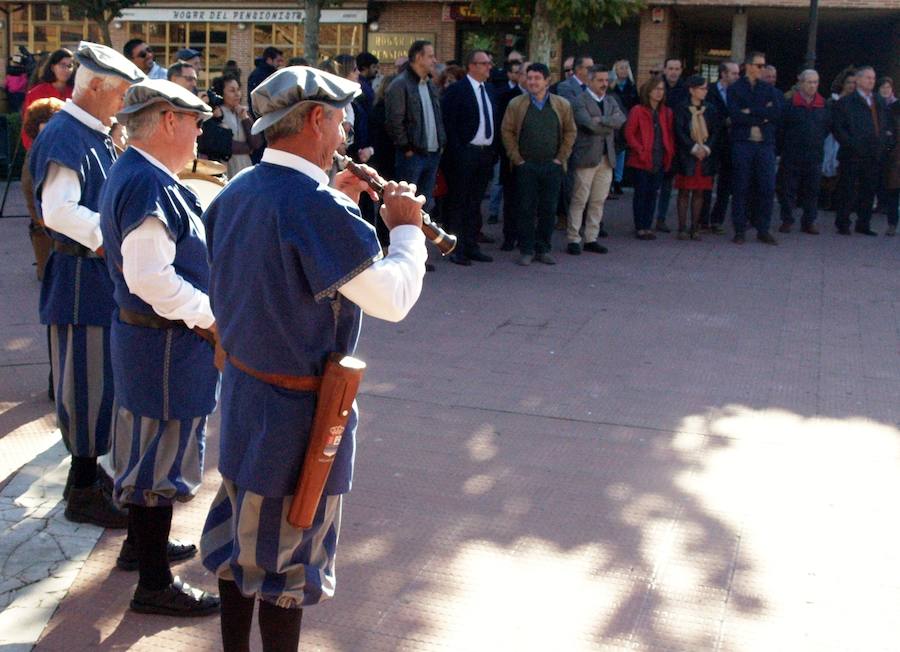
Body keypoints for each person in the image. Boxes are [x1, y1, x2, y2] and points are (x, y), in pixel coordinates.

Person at [199, 65, 427, 652]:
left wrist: (340, 211)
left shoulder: (239, 188)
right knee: (287, 569)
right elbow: (393, 299)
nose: (347, 128)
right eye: (341, 116)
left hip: (248, 402)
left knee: (236, 547)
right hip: (300, 417)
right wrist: (407, 232)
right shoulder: (315, 206)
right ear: (318, 120)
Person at [98, 78, 219, 616]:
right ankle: (152, 584)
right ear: (168, 119)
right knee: (155, 471)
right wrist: (211, 315)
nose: (198, 132)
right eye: (194, 120)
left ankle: (138, 549)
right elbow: (149, 276)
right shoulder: (148, 182)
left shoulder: (145, 173)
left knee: (148, 460)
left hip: (157, 345)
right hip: (165, 345)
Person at [28, 42, 144, 527]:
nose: (124, 104)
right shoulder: (67, 134)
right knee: (86, 389)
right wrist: (111, 235)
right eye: (120, 93)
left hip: (91, 281)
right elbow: (57, 211)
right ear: (94, 85)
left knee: (99, 388)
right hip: (80, 281)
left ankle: (89, 478)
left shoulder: (88, 132)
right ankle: (81, 490)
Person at [501, 63, 576, 266]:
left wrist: (561, 157)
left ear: (547, 81)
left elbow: (570, 131)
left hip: (552, 166)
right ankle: (526, 249)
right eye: (529, 78)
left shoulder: (562, 105)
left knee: (548, 209)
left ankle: (543, 248)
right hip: (526, 167)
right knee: (525, 208)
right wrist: (517, 159)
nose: (532, 82)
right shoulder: (516, 104)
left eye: (537, 78)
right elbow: (507, 131)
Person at [440, 49, 498, 266]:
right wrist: (458, 151)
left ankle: (472, 245)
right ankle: (456, 248)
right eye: (484, 63)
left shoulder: (490, 90)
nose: (488, 67)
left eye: (489, 63)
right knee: (459, 202)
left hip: (484, 155)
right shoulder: (457, 90)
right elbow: (449, 123)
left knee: (475, 202)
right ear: (472, 66)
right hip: (464, 154)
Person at [566, 64, 625, 255]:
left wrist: (602, 120)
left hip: (607, 158)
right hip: (586, 157)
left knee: (598, 200)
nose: (604, 84)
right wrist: (608, 123)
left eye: (606, 80)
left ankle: (591, 237)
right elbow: (589, 125)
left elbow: (621, 120)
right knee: (579, 199)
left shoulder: (610, 100)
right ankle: (574, 238)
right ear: (589, 81)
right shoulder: (579, 101)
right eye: (600, 80)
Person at [385, 40, 446, 212]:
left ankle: (421, 238)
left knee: (426, 204)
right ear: (419, 57)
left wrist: (441, 143)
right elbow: (394, 121)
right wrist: (406, 148)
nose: (434, 60)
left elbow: (437, 118)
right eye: (430, 56)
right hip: (412, 156)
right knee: (407, 204)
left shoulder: (429, 84)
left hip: (432, 153)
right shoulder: (400, 84)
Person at [728, 51, 781, 245]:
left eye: (764, 65)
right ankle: (740, 229)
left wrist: (751, 110)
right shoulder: (735, 88)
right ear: (748, 66)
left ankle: (763, 229)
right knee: (741, 186)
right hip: (743, 143)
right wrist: (762, 114)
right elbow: (735, 115)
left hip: (764, 144)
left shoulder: (768, 89)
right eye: (759, 65)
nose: (762, 69)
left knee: (767, 187)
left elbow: (775, 113)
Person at [831, 65, 890, 236]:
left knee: (868, 190)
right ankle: (843, 223)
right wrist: (851, 144)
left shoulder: (878, 100)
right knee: (847, 189)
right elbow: (838, 128)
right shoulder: (846, 102)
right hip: (852, 154)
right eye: (867, 78)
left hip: (873, 153)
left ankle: (863, 223)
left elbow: (884, 124)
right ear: (858, 80)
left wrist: (884, 143)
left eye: (873, 78)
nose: (871, 81)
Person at [776, 69, 829, 235]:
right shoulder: (789, 104)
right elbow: (781, 129)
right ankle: (787, 220)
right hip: (792, 154)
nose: (813, 85)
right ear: (801, 83)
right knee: (788, 190)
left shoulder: (823, 104)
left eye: (816, 82)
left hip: (814, 155)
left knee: (812, 191)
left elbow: (826, 128)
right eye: (809, 82)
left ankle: (809, 222)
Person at [625, 76, 675, 240]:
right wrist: (639, 149)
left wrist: (669, 152)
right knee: (641, 193)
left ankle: (647, 225)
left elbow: (669, 134)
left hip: (659, 157)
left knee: (653, 193)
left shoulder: (666, 112)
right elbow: (629, 133)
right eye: (656, 89)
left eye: (662, 89)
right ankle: (640, 226)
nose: (660, 92)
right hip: (641, 159)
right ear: (649, 91)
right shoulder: (638, 110)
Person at [22, 97, 65, 281]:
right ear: (36, 126)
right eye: (45, 121)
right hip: (46, 230)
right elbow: (29, 190)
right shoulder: (38, 153)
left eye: (53, 120)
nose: (50, 126)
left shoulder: (54, 148)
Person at [673, 75, 719, 240]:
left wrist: (706, 148)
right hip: (687, 156)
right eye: (701, 88)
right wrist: (692, 148)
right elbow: (679, 131)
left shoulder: (710, 109)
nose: (704, 91)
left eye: (706, 88)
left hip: (704, 156)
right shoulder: (682, 108)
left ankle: (695, 226)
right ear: (692, 90)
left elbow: (715, 131)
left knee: (700, 193)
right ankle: (682, 227)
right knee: (684, 192)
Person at [704, 60, 740, 234]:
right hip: (711, 143)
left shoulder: (739, 93)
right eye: (733, 73)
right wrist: (722, 122)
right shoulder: (709, 90)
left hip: (731, 145)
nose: (737, 76)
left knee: (725, 185)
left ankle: (717, 220)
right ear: (723, 74)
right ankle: (702, 220)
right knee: (706, 183)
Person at [654, 57, 688, 233]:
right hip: (657, 141)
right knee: (652, 182)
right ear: (665, 70)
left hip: (676, 141)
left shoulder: (685, 90)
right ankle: (646, 218)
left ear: (681, 70)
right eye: (670, 68)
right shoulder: (656, 87)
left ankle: (661, 218)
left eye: (677, 68)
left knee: (668, 183)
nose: (673, 72)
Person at [497, 61, 528, 251]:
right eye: (526, 74)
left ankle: (526, 237)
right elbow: (503, 130)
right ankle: (509, 237)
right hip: (512, 159)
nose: (530, 79)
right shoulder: (507, 97)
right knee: (511, 201)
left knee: (530, 202)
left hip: (535, 158)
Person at [20, 48, 74, 150]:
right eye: (62, 65)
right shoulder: (36, 93)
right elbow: (27, 128)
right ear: (53, 67)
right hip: (40, 150)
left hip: (70, 151)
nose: (66, 70)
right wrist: (34, 150)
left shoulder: (76, 93)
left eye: (70, 66)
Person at [211, 74, 262, 177]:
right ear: (222, 92)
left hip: (244, 165)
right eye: (232, 90)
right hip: (226, 166)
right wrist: (248, 148)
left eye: (238, 90)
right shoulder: (217, 114)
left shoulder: (244, 112)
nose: (237, 94)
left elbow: (256, 143)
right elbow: (223, 144)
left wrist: (245, 119)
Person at [609, 59, 638, 197]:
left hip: (626, 122)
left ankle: (618, 180)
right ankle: (609, 181)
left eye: (626, 68)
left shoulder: (632, 86)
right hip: (613, 122)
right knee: (610, 152)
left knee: (621, 152)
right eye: (621, 68)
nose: (624, 70)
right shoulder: (610, 86)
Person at [883, 99, 900, 235]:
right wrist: (890, 147)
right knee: (893, 191)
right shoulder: (892, 110)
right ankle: (892, 224)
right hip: (895, 157)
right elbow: (886, 132)